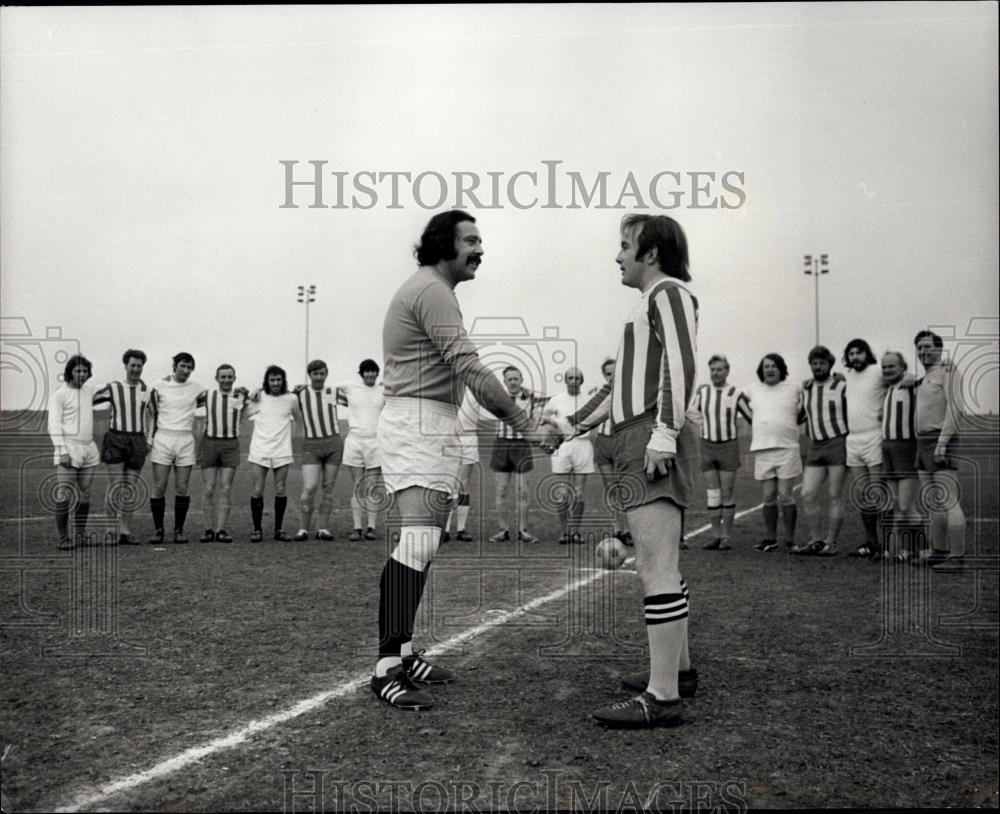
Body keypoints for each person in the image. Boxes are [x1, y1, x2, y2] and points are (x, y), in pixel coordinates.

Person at [371, 209, 556, 711]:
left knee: (424, 544)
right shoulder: (431, 290)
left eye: (480, 240)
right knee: (417, 541)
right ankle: (387, 666)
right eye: (471, 240)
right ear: (442, 244)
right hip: (417, 422)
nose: (480, 249)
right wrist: (526, 423)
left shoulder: (436, 290)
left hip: (432, 421)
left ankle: (404, 653)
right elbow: (471, 368)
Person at [556, 213, 699, 729]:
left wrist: (662, 435)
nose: (617, 256)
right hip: (633, 431)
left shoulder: (669, 295)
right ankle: (677, 672)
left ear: (650, 253)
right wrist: (571, 425)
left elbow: (682, 366)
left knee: (655, 565)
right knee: (662, 564)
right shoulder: (646, 305)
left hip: (648, 434)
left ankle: (661, 698)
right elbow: (619, 392)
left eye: (624, 246)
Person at [912, 330, 966, 569]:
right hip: (922, 443)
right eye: (919, 348)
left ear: (939, 349)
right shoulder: (923, 378)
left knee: (948, 499)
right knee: (933, 501)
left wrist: (943, 442)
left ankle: (957, 557)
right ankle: (939, 550)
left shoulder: (949, 371)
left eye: (927, 347)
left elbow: (955, 410)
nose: (923, 351)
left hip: (940, 441)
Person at [690, 354, 751, 550]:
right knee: (712, 493)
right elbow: (690, 412)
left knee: (727, 491)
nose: (716, 373)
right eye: (713, 370)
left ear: (727, 371)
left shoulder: (735, 393)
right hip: (707, 446)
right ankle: (716, 535)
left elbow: (752, 416)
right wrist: (704, 425)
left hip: (728, 447)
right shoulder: (703, 392)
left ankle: (726, 537)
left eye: (720, 369)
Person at [792, 346, 848, 557]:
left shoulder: (841, 385)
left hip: (837, 443)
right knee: (807, 494)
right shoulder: (806, 388)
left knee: (835, 495)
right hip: (816, 445)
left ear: (829, 365)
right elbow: (799, 417)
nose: (818, 366)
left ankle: (831, 543)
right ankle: (816, 540)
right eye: (814, 363)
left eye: (822, 363)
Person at [146, 352, 208, 544]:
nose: (186, 370)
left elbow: (216, 400)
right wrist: (149, 437)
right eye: (182, 366)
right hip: (163, 438)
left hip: (185, 439)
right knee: (159, 486)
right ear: (174, 366)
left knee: (182, 487)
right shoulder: (158, 386)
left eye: (189, 368)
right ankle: (158, 530)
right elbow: (149, 412)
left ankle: (179, 530)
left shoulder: (198, 388)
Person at [744, 353, 803, 552]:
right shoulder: (753, 389)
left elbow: (806, 407)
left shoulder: (794, 387)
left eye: (773, 366)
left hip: (787, 448)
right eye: (766, 366)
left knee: (786, 495)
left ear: (781, 368)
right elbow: (736, 401)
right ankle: (770, 538)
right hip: (762, 448)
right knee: (768, 496)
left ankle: (790, 539)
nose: (769, 369)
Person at [487, 365, 550, 544]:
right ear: (505, 381)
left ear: (521, 380)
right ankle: (503, 530)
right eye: (509, 379)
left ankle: (523, 530)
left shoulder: (530, 397)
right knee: (501, 490)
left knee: (523, 491)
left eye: (516, 378)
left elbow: (543, 411)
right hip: (501, 445)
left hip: (521, 446)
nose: (513, 382)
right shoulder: (498, 396)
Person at [94, 349, 151, 545]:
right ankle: (111, 530)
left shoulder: (147, 390)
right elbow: (88, 399)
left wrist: (149, 439)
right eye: (132, 365)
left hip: (137, 440)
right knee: (115, 486)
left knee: (130, 488)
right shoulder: (113, 388)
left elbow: (155, 416)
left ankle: (125, 531)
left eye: (139, 366)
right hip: (116, 438)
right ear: (125, 366)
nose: (136, 369)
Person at [842, 338, 891, 558]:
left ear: (866, 354)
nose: (855, 357)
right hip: (853, 440)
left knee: (879, 493)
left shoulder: (878, 371)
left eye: (859, 353)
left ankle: (890, 546)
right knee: (863, 495)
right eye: (851, 354)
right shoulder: (848, 377)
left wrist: (909, 378)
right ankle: (872, 543)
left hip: (874, 437)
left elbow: (898, 380)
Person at [47, 355, 102, 549]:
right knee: (64, 493)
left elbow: (110, 389)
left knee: (85, 493)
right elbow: (53, 425)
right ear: (70, 372)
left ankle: (80, 535)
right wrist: (61, 450)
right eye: (78, 371)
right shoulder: (59, 395)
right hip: (68, 447)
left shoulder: (89, 391)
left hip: (88, 447)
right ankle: (63, 537)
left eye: (85, 371)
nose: (82, 374)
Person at [291, 360, 343, 542]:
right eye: (315, 374)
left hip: (333, 443)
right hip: (311, 444)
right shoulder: (300, 394)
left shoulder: (334, 392)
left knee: (328, 487)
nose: (319, 377)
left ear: (326, 374)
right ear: (310, 375)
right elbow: (281, 399)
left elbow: (358, 399)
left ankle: (323, 528)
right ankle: (303, 529)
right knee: (310, 487)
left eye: (322, 373)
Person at [196, 364, 249, 543]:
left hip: (230, 445)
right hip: (209, 442)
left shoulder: (241, 395)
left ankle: (221, 529)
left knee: (226, 488)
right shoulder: (207, 395)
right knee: (209, 488)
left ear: (234, 378)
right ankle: (208, 529)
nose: (226, 380)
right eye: (223, 377)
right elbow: (184, 401)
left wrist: (252, 392)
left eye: (229, 377)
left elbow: (259, 400)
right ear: (216, 378)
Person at [543, 367, 595, 544]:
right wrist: (552, 426)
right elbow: (543, 418)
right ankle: (565, 531)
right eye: (570, 378)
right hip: (562, 446)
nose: (573, 381)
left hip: (583, 445)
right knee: (562, 493)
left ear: (582, 380)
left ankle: (575, 532)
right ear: (565, 380)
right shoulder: (556, 400)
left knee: (579, 493)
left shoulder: (588, 400)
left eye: (577, 378)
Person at [246, 365, 298, 542]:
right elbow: (242, 414)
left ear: (283, 381)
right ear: (267, 381)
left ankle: (279, 529)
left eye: (278, 379)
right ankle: (257, 529)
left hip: (282, 450)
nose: (275, 383)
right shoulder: (259, 398)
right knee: (258, 489)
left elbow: (299, 419)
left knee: (280, 488)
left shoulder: (291, 399)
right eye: (272, 380)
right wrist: (249, 395)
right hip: (260, 449)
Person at [337, 358, 386, 542]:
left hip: (376, 442)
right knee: (358, 485)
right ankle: (357, 527)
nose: (370, 374)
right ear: (361, 373)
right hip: (355, 441)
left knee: (372, 487)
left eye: (373, 371)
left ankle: (371, 527)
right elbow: (326, 388)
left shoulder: (384, 389)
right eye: (367, 371)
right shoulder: (351, 386)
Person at [879, 350, 920, 562]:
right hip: (888, 449)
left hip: (906, 448)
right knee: (897, 504)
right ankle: (903, 550)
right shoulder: (888, 389)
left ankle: (919, 549)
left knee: (905, 506)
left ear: (902, 367)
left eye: (891, 366)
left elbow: (921, 382)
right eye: (884, 366)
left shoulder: (911, 385)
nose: (887, 370)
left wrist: (913, 379)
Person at [591, 358, 632, 545]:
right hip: (603, 442)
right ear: (604, 375)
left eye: (615, 372)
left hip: (623, 442)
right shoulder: (596, 392)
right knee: (611, 488)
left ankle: (630, 529)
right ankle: (618, 528)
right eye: (608, 374)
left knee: (626, 487)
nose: (612, 377)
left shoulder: (630, 391)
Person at [444, 390, 482, 542]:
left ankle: (461, 529)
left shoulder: (476, 389)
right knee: (447, 484)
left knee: (464, 484)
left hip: (469, 437)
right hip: (449, 438)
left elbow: (495, 396)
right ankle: (444, 530)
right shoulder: (447, 386)